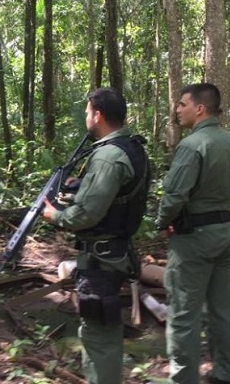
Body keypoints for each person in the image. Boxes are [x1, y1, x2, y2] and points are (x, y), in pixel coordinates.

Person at [41, 87, 150, 384]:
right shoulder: (132, 146)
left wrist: (56, 216)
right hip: (116, 252)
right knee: (106, 328)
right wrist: (83, 184)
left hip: (102, 259)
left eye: (88, 112)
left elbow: (86, 215)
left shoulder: (107, 157)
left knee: (97, 334)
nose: (86, 117)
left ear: (98, 115)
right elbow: (116, 195)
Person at [155, 83, 230, 384]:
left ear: (199, 108)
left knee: (183, 314)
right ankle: (226, 374)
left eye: (182, 104)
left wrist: (163, 222)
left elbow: (174, 195)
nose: (177, 110)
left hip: (194, 239)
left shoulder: (192, 145)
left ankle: (183, 380)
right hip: (226, 233)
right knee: (222, 310)